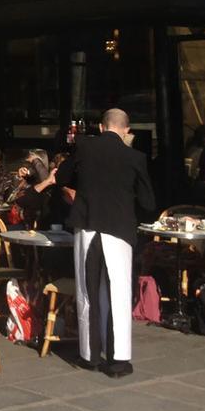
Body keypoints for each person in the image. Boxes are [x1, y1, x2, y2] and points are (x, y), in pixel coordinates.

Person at [58, 108, 154, 377]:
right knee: (119, 292)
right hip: (119, 227)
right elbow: (148, 202)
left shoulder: (85, 147)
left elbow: (62, 176)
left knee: (88, 291)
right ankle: (118, 360)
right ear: (127, 130)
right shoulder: (135, 157)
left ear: (101, 127)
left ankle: (90, 355)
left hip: (87, 224)